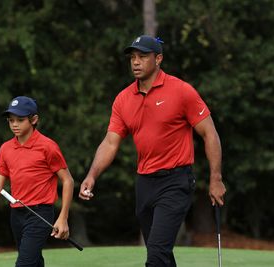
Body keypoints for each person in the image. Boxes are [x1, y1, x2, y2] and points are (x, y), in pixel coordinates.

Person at [79, 35, 226, 267]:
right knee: (162, 255)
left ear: (158, 59)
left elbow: (210, 133)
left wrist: (215, 178)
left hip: (176, 181)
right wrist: (92, 175)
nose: (136, 62)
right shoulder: (123, 99)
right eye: (133, 57)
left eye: (142, 57)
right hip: (145, 183)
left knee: (156, 254)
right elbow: (110, 142)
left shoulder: (181, 91)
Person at [0, 96, 74, 267]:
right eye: (11, 120)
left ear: (34, 119)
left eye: (20, 120)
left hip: (40, 214)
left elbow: (68, 181)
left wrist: (63, 218)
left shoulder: (48, 146)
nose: (14, 124)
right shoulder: (5, 149)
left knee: (24, 264)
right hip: (16, 215)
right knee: (33, 262)